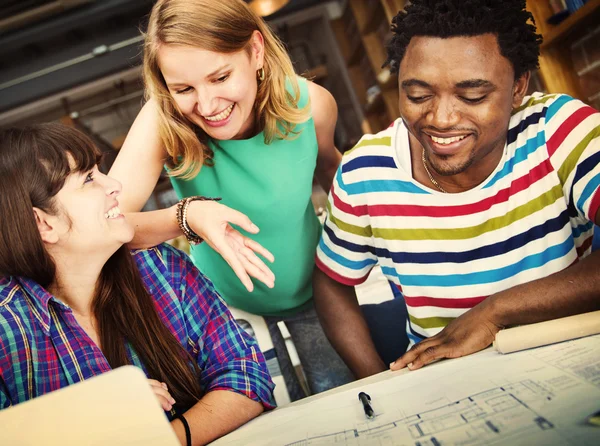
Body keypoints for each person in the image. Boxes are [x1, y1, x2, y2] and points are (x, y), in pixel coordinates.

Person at [314, 0, 600, 379]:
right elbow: (331, 280)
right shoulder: (365, 169)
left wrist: (494, 312)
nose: (441, 119)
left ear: (518, 87)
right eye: (417, 95)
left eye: (473, 96)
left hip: (572, 358)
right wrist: (377, 383)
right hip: (442, 381)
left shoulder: (559, 130)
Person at [109, 0, 353, 400]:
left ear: (255, 52)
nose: (206, 106)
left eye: (220, 77)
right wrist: (188, 216)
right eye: (184, 89)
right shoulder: (163, 122)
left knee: (342, 405)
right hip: (224, 314)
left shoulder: (311, 104)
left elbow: (333, 174)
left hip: (319, 294)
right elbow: (104, 227)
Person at [0, 124, 275, 446]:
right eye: (88, 178)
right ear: (42, 223)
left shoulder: (163, 268)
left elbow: (246, 375)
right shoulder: (7, 325)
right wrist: (90, 414)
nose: (114, 185)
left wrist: (164, 439)